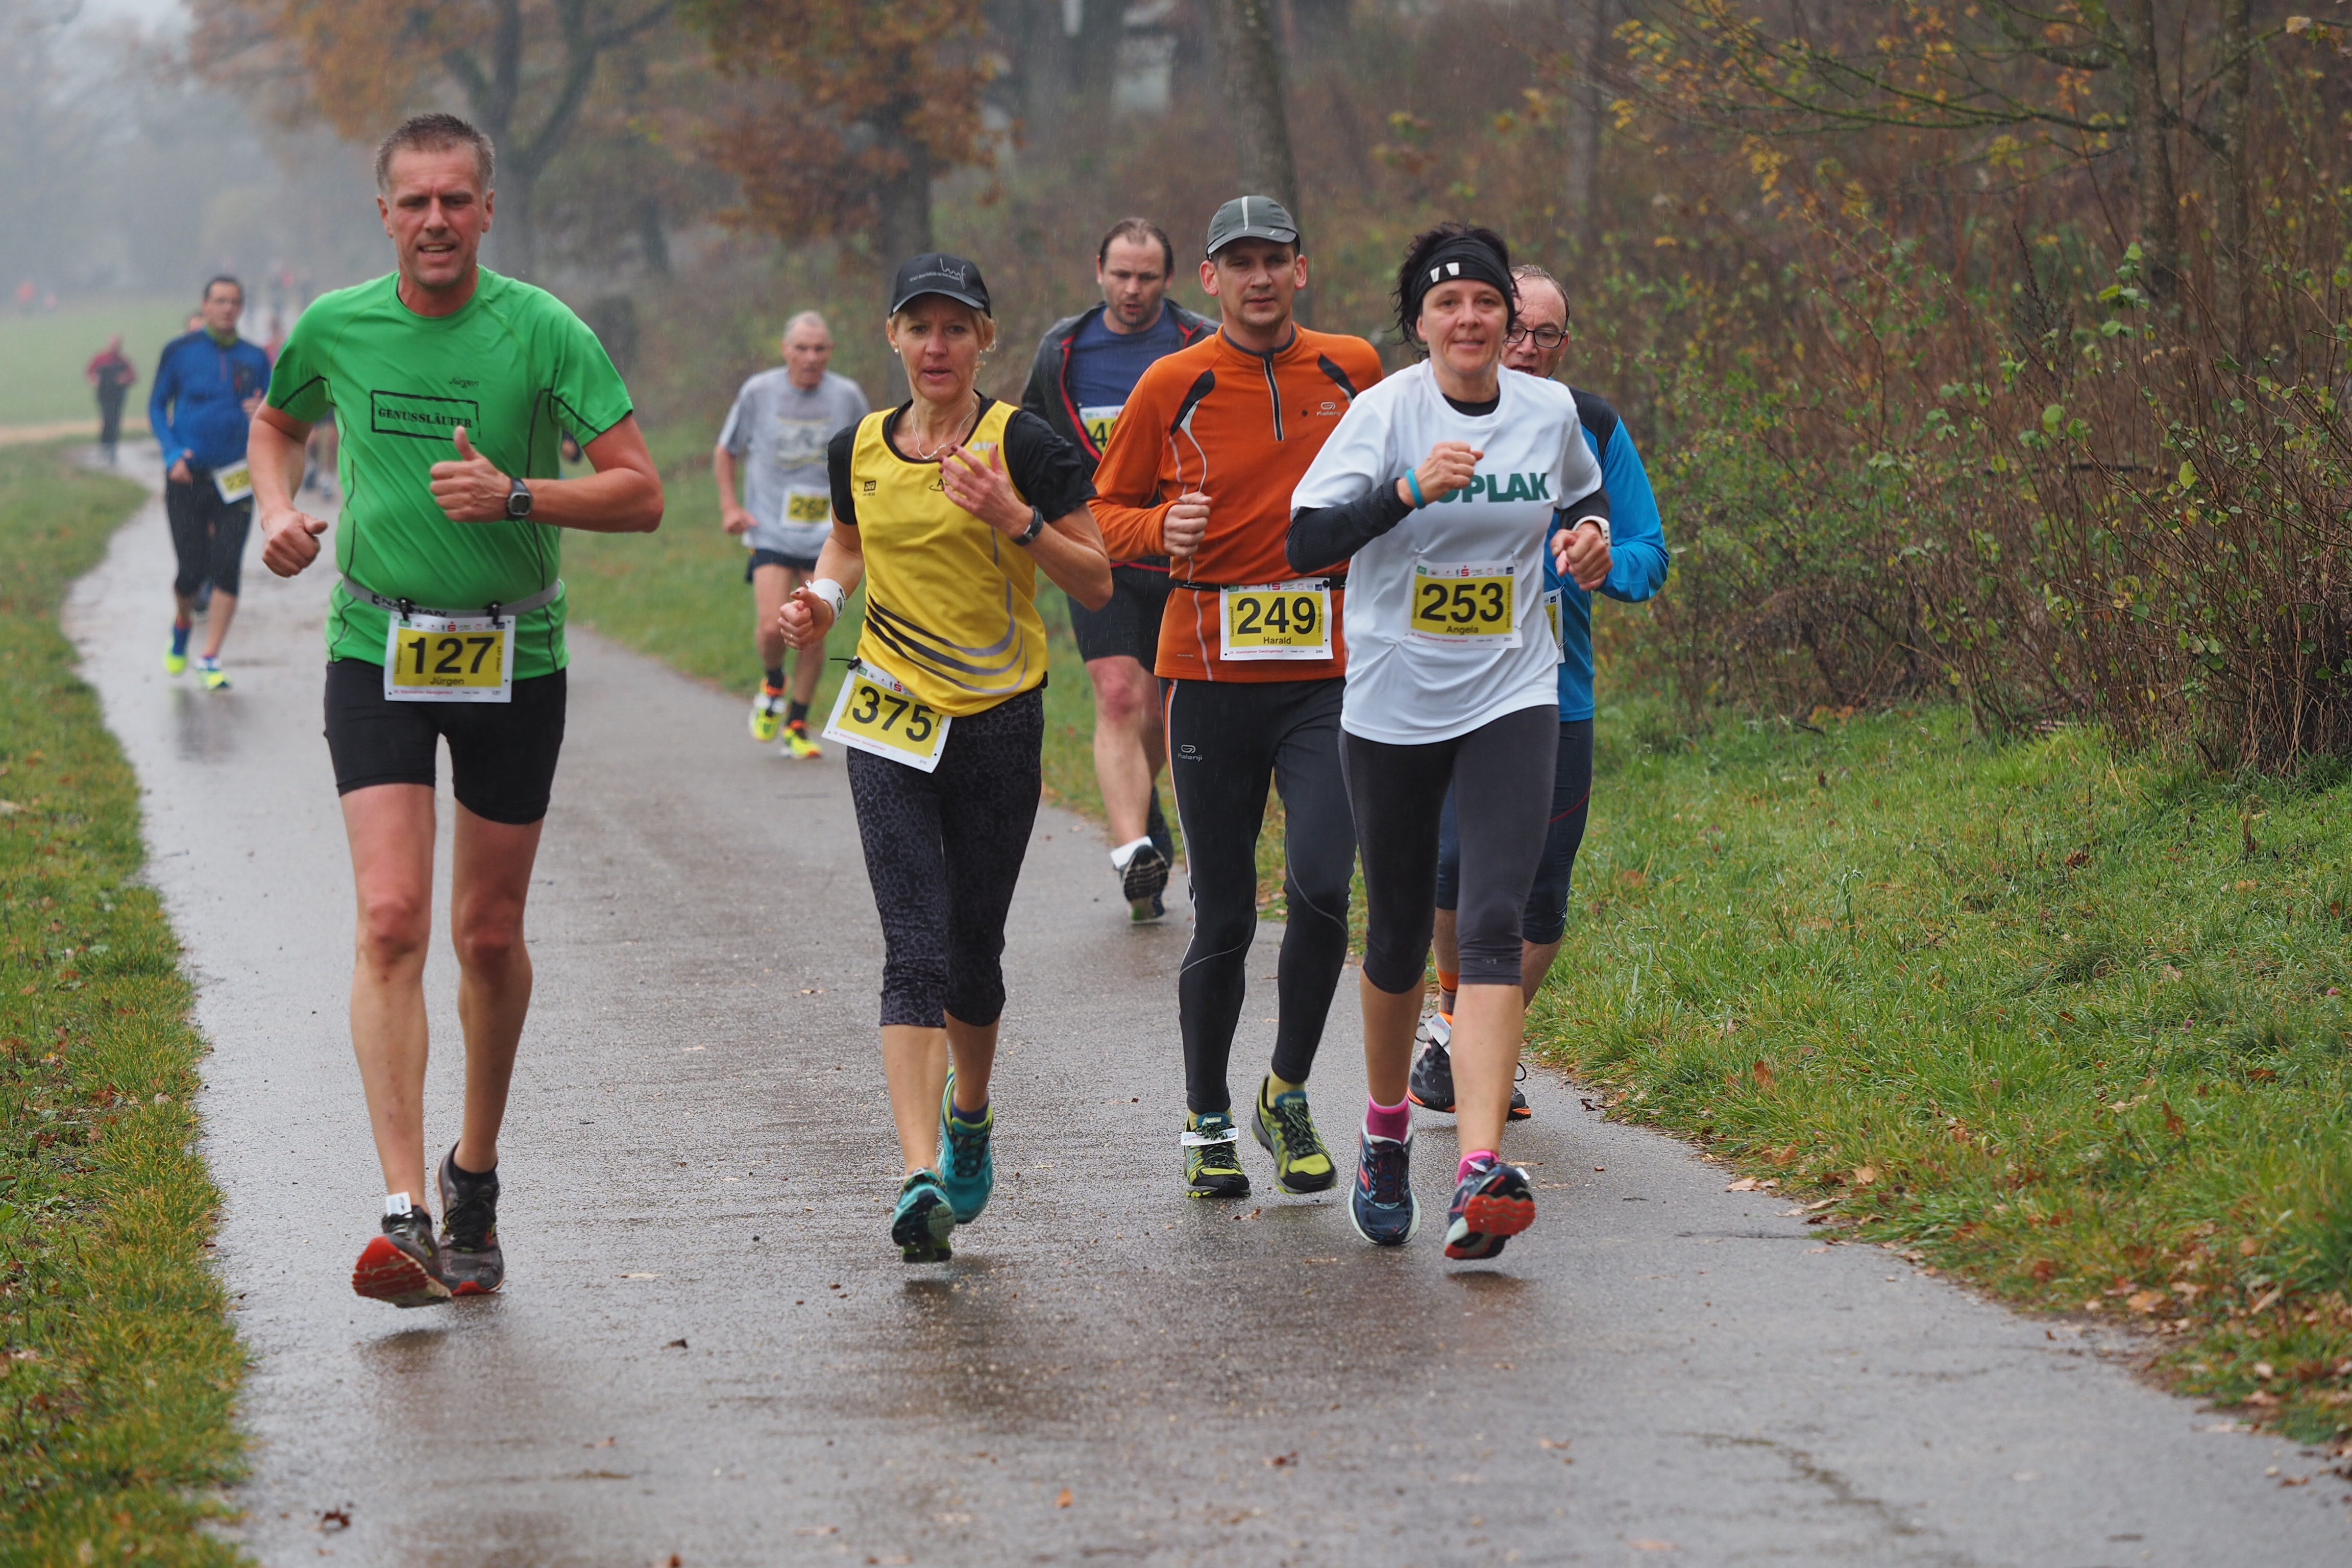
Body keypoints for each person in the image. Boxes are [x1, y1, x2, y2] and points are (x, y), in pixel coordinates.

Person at [246, 112, 664, 1308]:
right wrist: (274, 510)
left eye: (455, 200)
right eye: (415, 201)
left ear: (487, 210)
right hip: (374, 643)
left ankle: (471, 1175)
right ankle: (405, 1210)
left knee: (485, 934)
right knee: (390, 919)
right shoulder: (335, 325)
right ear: (384, 214)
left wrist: (519, 492)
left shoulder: (544, 330)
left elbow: (641, 493)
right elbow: (277, 425)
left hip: (513, 652)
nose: (435, 220)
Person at [778, 253, 1110, 1261]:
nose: (936, 345)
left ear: (983, 340)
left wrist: (1016, 519)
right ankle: (919, 1171)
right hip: (889, 717)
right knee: (913, 946)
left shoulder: (1028, 445)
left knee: (973, 951)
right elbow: (846, 544)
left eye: (956, 328)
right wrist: (820, 601)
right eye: (919, 327)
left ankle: (970, 1114)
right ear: (892, 337)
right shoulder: (857, 447)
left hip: (999, 722)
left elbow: (1097, 580)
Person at [1287, 223, 1610, 1258]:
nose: (1469, 318)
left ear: (1509, 319)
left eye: (1485, 302)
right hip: (1393, 700)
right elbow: (1304, 541)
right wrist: (1406, 492)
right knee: (1393, 935)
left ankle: (1477, 1167)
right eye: (1447, 304)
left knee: (1492, 925)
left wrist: (1589, 539)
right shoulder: (1384, 414)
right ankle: (1384, 1132)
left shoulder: (1548, 411)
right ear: (1419, 323)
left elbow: (1584, 494)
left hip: (1513, 689)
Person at [1091, 197, 1384, 1200]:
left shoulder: (1353, 368)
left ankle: (1285, 1092)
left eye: (1275, 259)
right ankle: (1206, 1115)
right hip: (1209, 677)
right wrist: (1155, 532)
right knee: (1222, 913)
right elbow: (1101, 511)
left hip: (1327, 674)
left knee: (1322, 886)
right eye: (1239, 262)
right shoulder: (1171, 381)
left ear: (1302, 270)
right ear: (1209, 280)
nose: (1259, 278)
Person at [1410, 263, 1671, 1120]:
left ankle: (1461, 1040)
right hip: (1448, 687)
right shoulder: (1418, 412)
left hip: (1556, 696)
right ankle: (1464, 1032)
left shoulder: (1589, 425)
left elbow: (1648, 555)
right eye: (1514, 325)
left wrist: (1603, 561)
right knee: (1451, 870)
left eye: (1545, 335)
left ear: (1565, 346)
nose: (1524, 346)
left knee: (1542, 897)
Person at [1021, 218, 1213, 920]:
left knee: (1160, 710)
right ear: (1098, 270)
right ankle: (1135, 851)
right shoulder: (1062, 351)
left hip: (1184, 550)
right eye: (1121, 275)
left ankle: (1145, 817)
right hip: (1098, 549)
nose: (1133, 290)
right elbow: (1030, 437)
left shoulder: (1201, 344)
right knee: (1117, 695)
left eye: (1147, 277)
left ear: (1170, 279)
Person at [716, 311, 870, 757]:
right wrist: (730, 507)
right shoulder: (759, 392)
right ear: (785, 350)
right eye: (802, 348)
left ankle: (797, 725)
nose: (811, 357)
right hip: (771, 530)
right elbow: (726, 450)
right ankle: (773, 682)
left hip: (828, 536)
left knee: (811, 631)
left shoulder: (847, 396)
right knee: (772, 628)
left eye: (820, 349)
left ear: (831, 352)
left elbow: (871, 456)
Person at [149, 278, 272, 689]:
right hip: (188, 477)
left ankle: (210, 657)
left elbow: (277, 412)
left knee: (227, 567)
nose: (227, 308)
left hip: (236, 477)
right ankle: (183, 621)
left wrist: (264, 411)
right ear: (204, 305)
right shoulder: (179, 352)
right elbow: (156, 406)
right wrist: (171, 454)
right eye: (219, 301)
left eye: (234, 302)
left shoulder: (255, 357)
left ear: (241, 308)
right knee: (191, 571)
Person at [86, 335, 136, 464]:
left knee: (115, 420)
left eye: (117, 345)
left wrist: (124, 379)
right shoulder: (101, 359)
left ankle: (112, 446)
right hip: (104, 394)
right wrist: (94, 380)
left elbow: (132, 376)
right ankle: (105, 446)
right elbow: (90, 372)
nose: (114, 347)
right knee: (107, 419)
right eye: (113, 344)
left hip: (118, 395)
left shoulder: (123, 361)